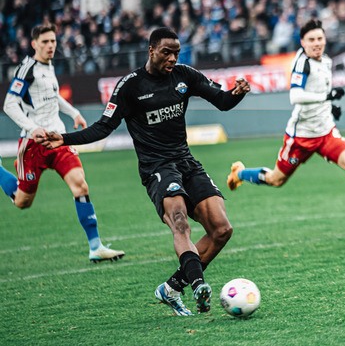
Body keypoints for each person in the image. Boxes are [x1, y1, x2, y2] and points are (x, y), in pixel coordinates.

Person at [42, 27, 251, 316]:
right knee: (180, 222)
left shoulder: (185, 75)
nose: (172, 58)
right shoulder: (130, 86)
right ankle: (198, 285)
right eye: (167, 52)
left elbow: (223, 101)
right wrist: (64, 138)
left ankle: (171, 288)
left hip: (186, 161)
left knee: (221, 229)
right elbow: (103, 127)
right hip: (157, 168)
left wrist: (237, 93)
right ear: (151, 50)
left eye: (176, 53)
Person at [225, 18, 345, 234]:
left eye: (319, 38)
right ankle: (240, 173)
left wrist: (330, 107)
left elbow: (319, 93)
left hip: (326, 132)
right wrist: (326, 97)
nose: (316, 43)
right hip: (301, 137)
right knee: (276, 180)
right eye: (311, 40)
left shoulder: (326, 61)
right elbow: (296, 96)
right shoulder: (302, 64)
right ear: (303, 42)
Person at [3, 23, 124, 262]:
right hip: (33, 145)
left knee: (81, 185)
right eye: (45, 42)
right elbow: (9, 104)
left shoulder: (49, 67)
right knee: (22, 202)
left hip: (58, 139)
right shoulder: (27, 69)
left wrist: (74, 113)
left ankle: (96, 246)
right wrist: (32, 128)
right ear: (34, 44)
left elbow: (53, 96)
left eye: (53, 41)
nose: (50, 46)